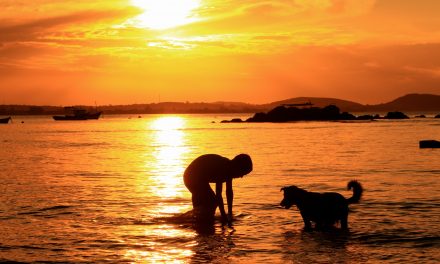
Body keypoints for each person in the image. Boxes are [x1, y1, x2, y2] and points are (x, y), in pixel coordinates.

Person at [183, 154, 253, 225]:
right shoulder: (224, 168)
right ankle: (201, 222)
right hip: (192, 176)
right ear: (238, 167)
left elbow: (229, 192)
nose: (241, 176)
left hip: (194, 176)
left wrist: (229, 213)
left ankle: (200, 223)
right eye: (242, 173)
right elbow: (218, 194)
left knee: (202, 207)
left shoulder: (229, 168)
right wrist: (223, 216)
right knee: (212, 201)